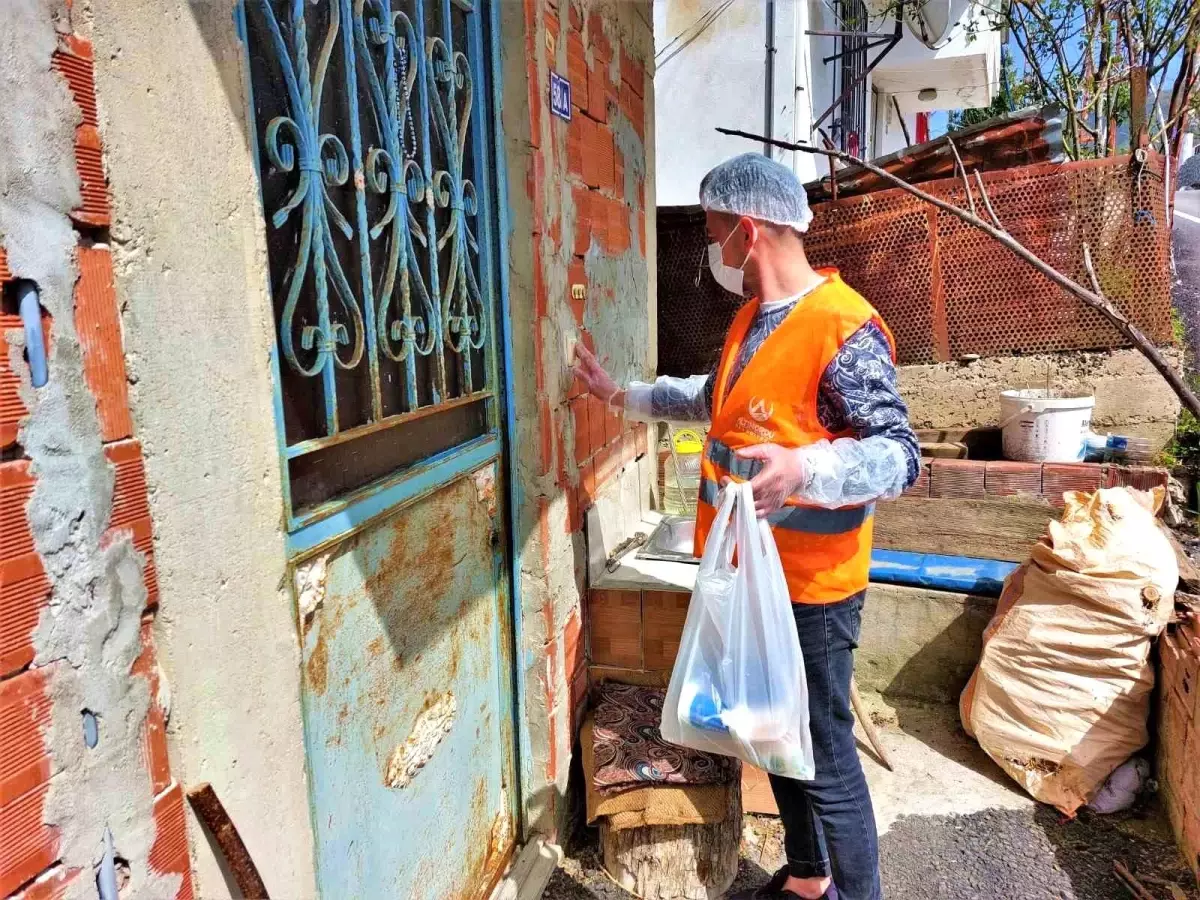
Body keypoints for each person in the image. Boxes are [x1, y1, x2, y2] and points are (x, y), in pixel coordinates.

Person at [573, 152, 919, 900]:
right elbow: (716, 401)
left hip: (811, 587)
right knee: (772, 734)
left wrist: (809, 471)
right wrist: (623, 394)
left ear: (748, 230)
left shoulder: (842, 326)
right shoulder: (752, 319)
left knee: (823, 750)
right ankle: (806, 875)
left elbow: (900, 454)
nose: (709, 245)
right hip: (747, 575)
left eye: (711, 228)